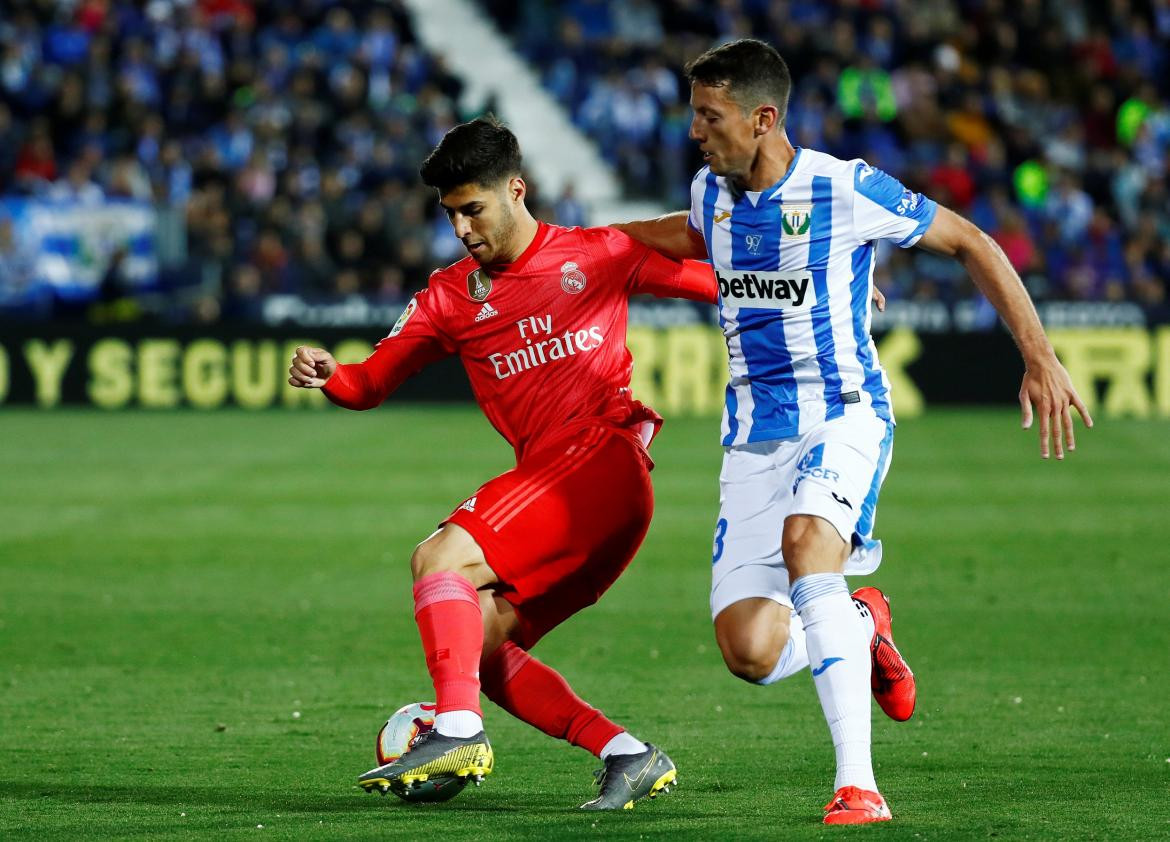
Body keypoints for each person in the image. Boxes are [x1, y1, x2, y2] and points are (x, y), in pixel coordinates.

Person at [613, 39, 1092, 825]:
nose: (695, 131)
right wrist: (570, 246)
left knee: (810, 543)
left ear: (763, 118)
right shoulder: (711, 194)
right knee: (751, 653)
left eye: (710, 116)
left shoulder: (845, 187)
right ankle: (864, 622)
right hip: (752, 440)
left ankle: (858, 785)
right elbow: (681, 236)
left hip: (844, 416)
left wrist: (1039, 357)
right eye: (694, 114)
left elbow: (970, 240)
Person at [287, 117, 717, 810]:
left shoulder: (598, 253)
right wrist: (330, 372)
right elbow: (369, 385)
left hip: (601, 458)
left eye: (473, 209)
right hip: (589, 503)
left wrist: (824, 291)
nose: (461, 228)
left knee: (439, 561)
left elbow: (718, 282)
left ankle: (456, 731)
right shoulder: (449, 297)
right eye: (450, 214)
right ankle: (627, 753)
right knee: (476, 645)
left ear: (516, 190)